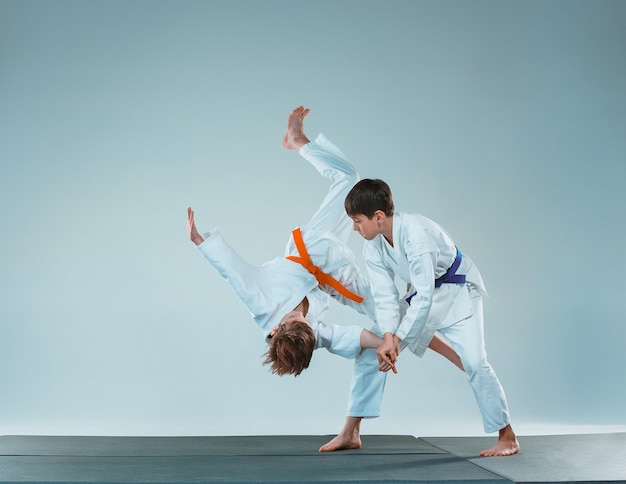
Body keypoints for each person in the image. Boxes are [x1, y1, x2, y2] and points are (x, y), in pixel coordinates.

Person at [187, 106, 464, 452]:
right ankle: (352, 430)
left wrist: (200, 240)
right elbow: (353, 336)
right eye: (304, 322)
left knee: (350, 180)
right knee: (381, 332)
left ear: (274, 328)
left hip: (309, 247)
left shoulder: (259, 302)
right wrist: (382, 344)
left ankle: (298, 141)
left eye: (295, 318)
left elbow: (231, 270)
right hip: (329, 275)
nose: (300, 316)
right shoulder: (308, 337)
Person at [344, 177, 520, 456]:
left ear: (378, 217)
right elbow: (385, 295)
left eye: (357, 220)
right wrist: (389, 336)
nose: (354, 227)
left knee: (476, 363)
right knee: (375, 340)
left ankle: (507, 436)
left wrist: (398, 341)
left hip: (458, 292)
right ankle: (351, 431)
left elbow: (425, 294)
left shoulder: (416, 234)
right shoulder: (373, 245)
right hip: (422, 297)